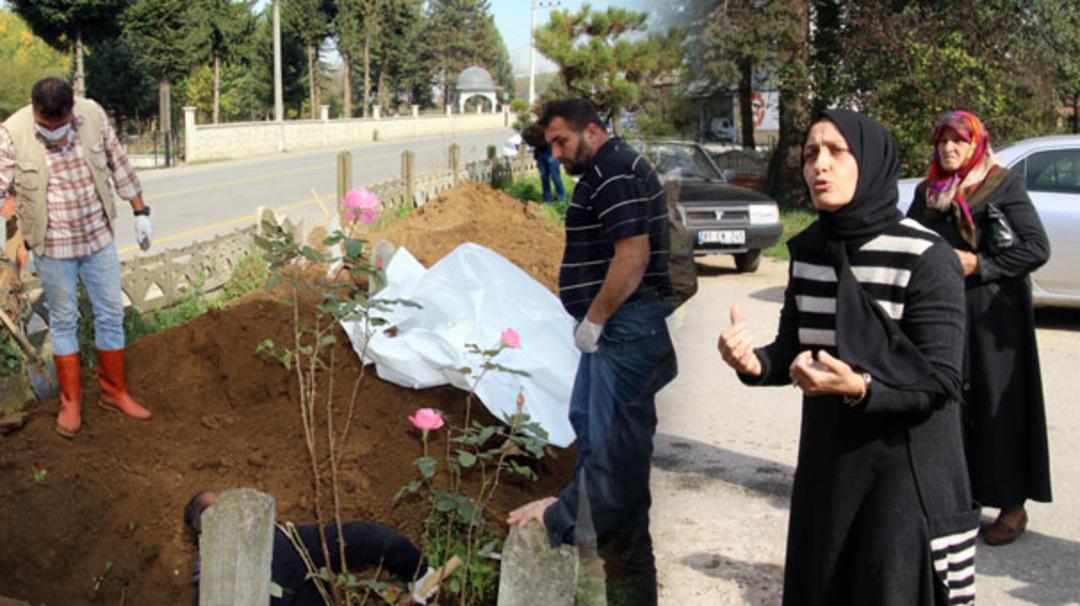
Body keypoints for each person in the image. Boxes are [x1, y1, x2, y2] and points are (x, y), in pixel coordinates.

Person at [717, 110, 977, 605]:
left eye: (837, 152)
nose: (820, 165)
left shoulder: (926, 257)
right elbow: (794, 347)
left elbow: (939, 384)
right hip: (829, 470)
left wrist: (860, 387)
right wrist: (752, 363)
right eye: (811, 153)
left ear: (872, 161)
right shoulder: (812, 250)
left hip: (906, 477)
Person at [507, 98, 676, 606]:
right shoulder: (608, 170)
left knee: (612, 452)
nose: (556, 153)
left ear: (593, 132)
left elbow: (633, 256)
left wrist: (596, 320)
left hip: (623, 329)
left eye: (561, 140)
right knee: (593, 428)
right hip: (619, 330)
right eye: (550, 144)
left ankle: (589, 553)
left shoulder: (615, 171)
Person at [906, 110, 1051, 546]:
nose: (949, 149)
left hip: (995, 317)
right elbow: (915, 236)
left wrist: (979, 263)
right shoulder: (927, 190)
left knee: (997, 409)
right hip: (945, 313)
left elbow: (1035, 247)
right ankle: (959, 498)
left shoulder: (1003, 183)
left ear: (976, 145)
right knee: (952, 405)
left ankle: (1012, 506)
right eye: (942, 141)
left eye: (958, 141)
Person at [0, 77, 153, 438]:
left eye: (60, 124)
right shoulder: (12, 132)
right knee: (65, 322)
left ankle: (114, 392)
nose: (53, 131)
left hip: (97, 238)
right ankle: (70, 404)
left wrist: (141, 211)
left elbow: (119, 163)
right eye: (45, 125)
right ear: (35, 110)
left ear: (71, 110)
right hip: (53, 246)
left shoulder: (92, 115)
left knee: (111, 314)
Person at [184, 491, 436, 605]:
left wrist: (417, 570)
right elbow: (373, 541)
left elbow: (369, 541)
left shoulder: (285, 542)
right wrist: (419, 571)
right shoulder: (284, 544)